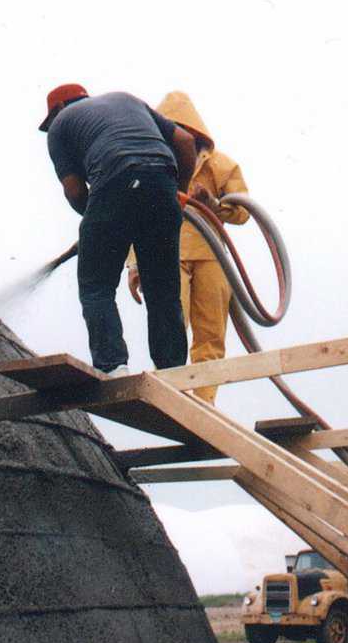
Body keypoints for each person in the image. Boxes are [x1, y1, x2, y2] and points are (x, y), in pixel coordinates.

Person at [40, 84, 196, 375]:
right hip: (161, 184)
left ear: (59, 108)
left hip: (113, 180)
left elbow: (74, 192)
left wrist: (96, 223)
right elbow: (186, 142)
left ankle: (113, 367)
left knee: (96, 286)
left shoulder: (60, 125)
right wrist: (178, 194)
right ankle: (172, 371)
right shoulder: (128, 98)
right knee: (163, 289)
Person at [127, 92, 249, 404]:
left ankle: (205, 401)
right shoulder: (150, 163)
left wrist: (215, 204)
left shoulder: (221, 165)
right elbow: (134, 214)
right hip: (166, 251)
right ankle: (173, 396)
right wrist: (133, 263)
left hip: (212, 255)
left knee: (210, 335)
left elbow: (243, 211)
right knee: (171, 324)